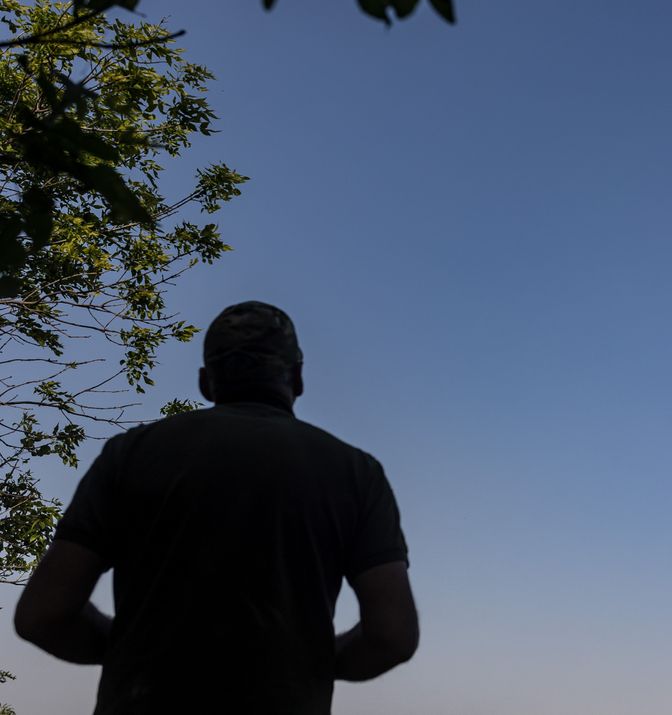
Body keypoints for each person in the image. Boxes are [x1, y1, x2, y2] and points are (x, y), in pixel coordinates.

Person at [13, 301, 418, 714]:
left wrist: (131, 650)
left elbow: (43, 614)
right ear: (297, 377)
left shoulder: (129, 456)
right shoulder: (356, 473)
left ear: (206, 383)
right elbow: (393, 636)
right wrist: (305, 664)